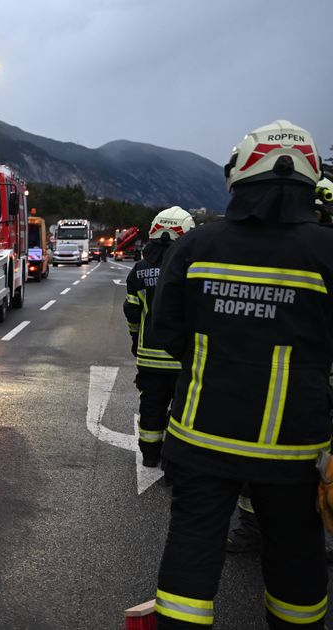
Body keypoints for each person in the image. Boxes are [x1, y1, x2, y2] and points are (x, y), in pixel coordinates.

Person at [152, 120, 333, 628]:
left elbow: (166, 333)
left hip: (202, 436)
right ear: (309, 180)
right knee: (297, 554)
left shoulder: (196, 247)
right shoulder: (326, 254)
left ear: (239, 175)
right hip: (294, 449)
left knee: (192, 547)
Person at [124, 206, 194, 468]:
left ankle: (150, 455)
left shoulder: (139, 271)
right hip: (182, 359)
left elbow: (132, 311)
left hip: (149, 356)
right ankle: (176, 462)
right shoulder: (191, 270)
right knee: (182, 412)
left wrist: (135, 339)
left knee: (151, 406)